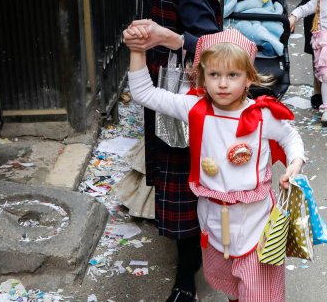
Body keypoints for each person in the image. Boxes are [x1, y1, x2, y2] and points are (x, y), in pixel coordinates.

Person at [125, 28, 305, 302]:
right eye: (214, 75)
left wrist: (296, 162)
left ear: (248, 78)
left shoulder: (262, 115)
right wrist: (137, 50)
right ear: (202, 77)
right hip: (213, 222)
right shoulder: (194, 108)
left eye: (232, 75)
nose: (223, 84)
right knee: (232, 285)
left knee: (259, 293)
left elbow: (290, 136)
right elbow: (144, 93)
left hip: (257, 224)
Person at [110, 0, 222, 302]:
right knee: (174, 181)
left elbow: (214, 45)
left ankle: (186, 282)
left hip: (183, 96)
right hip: (159, 87)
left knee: (186, 185)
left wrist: (166, 37)